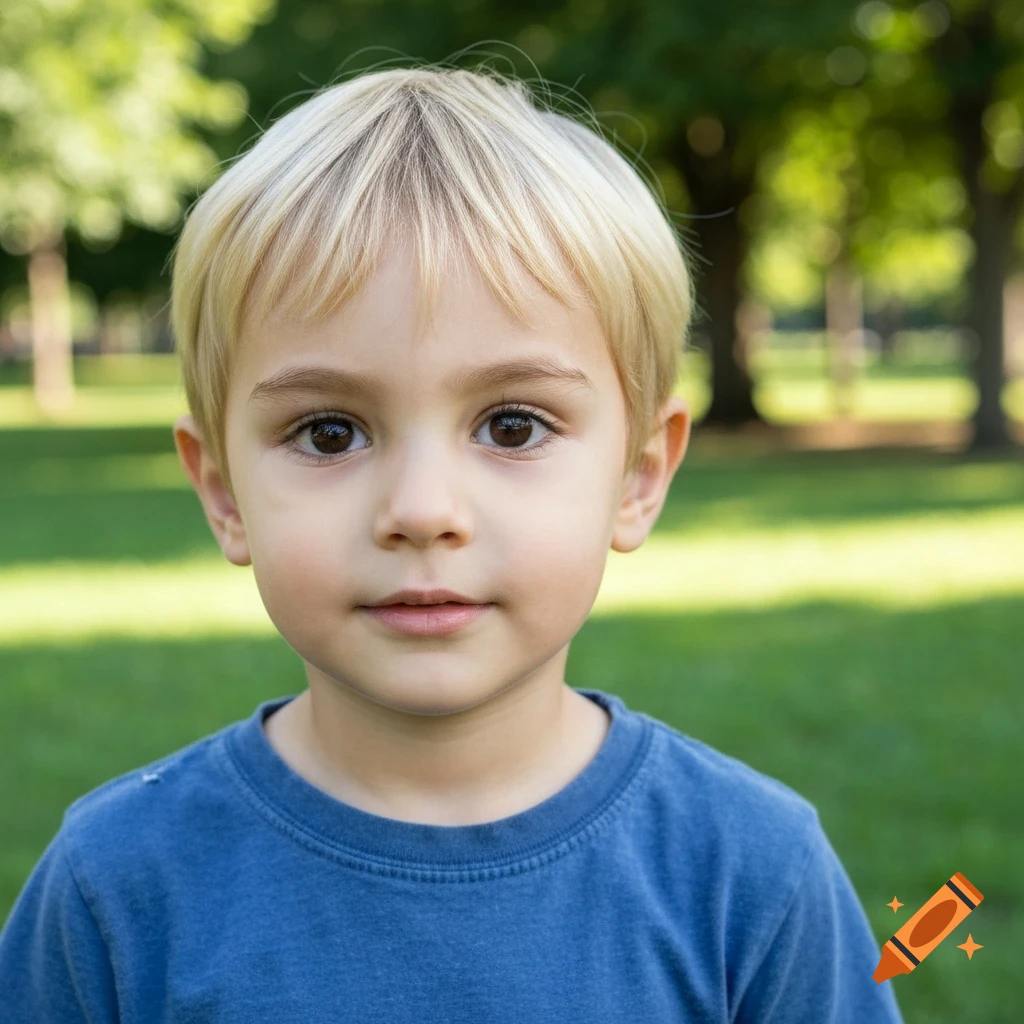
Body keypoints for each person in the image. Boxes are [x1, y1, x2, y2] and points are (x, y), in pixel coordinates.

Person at [0, 63, 903, 1022]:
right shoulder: (115, 890)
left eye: (512, 426)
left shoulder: (751, 876)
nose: (423, 509)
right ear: (222, 492)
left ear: (638, 477)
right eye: (329, 432)